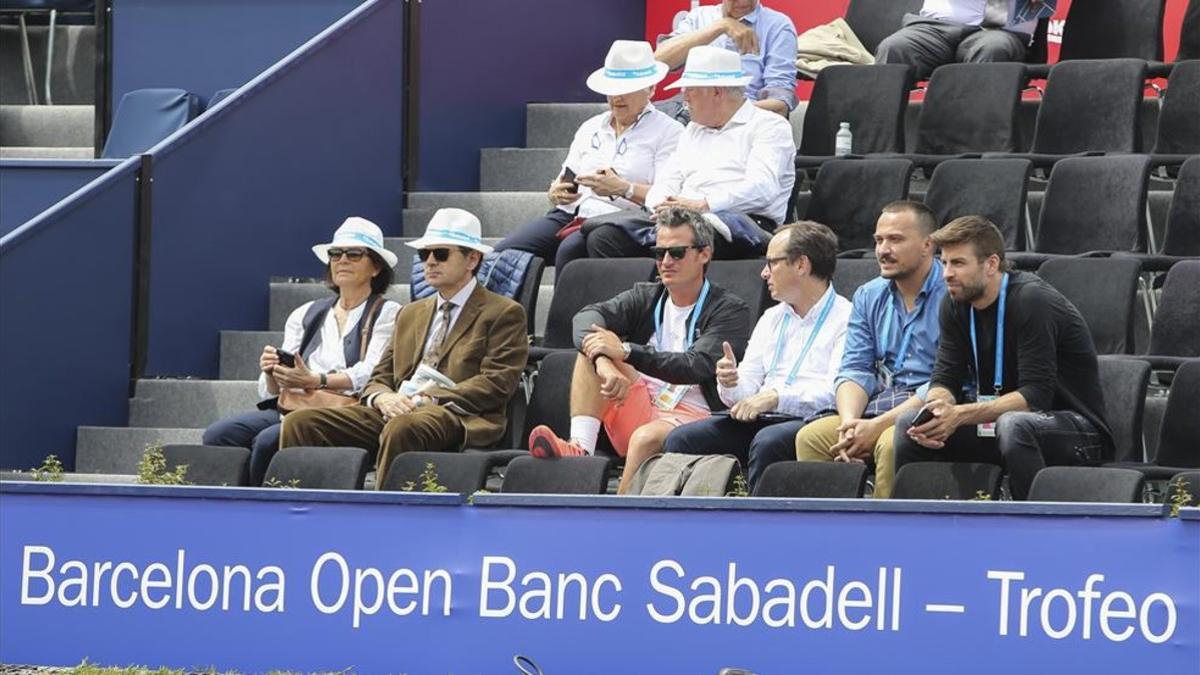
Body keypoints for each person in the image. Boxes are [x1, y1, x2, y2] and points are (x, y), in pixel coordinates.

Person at [279, 208, 529, 487]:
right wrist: (380, 398)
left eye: (441, 254)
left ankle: (384, 519)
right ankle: (300, 513)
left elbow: (497, 383)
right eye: (425, 255)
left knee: (403, 427)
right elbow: (379, 377)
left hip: (455, 413)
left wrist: (429, 397)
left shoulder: (504, 312)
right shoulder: (410, 313)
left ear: (472, 259)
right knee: (300, 422)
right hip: (397, 407)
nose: (430, 262)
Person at [525, 207, 750, 494]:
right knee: (592, 347)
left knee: (644, 437)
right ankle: (581, 448)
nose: (666, 261)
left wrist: (627, 351)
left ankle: (619, 513)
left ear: (704, 254)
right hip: (640, 403)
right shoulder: (647, 295)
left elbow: (696, 365)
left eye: (677, 253)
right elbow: (584, 317)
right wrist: (605, 362)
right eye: (659, 253)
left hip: (696, 418)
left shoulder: (730, 309)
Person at [892, 215, 1112, 500]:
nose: (946, 273)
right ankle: (919, 532)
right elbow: (945, 377)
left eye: (958, 263)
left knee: (1014, 423)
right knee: (909, 426)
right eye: (943, 262)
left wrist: (959, 414)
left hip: (1074, 430)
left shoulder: (1032, 300)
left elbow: (1035, 396)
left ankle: (1028, 531)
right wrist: (938, 409)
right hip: (1000, 426)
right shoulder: (955, 303)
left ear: (991, 264)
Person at [202, 217, 401, 485]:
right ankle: (231, 508)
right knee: (219, 434)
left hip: (345, 412)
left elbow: (373, 373)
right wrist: (273, 371)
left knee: (267, 441)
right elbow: (269, 391)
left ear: (376, 267)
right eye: (335, 254)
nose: (342, 260)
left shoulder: (388, 313)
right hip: (293, 404)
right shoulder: (305, 313)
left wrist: (317, 380)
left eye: (354, 254)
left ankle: (263, 511)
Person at [662, 221, 852, 489]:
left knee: (768, 442)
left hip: (811, 419)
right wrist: (730, 383)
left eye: (772, 263)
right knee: (682, 439)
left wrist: (774, 398)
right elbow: (747, 391)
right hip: (765, 417)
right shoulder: (772, 317)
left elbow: (836, 393)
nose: (764, 273)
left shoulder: (846, 318)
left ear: (801, 265)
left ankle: (756, 527)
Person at [583, 46, 796, 263]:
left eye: (690, 89)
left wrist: (703, 204)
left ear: (716, 91)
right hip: (683, 219)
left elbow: (763, 188)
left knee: (686, 241)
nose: (684, 97)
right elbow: (668, 181)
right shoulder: (693, 130)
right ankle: (640, 296)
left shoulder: (769, 126)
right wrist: (663, 205)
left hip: (741, 224)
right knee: (604, 238)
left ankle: (672, 294)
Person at [794, 202, 946, 498]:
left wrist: (875, 426)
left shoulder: (952, 294)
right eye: (878, 240)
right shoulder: (869, 294)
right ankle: (829, 537)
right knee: (811, 438)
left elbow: (946, 381)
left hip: (930, 407)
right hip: (880, 403)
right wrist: (851, 423)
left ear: (928, 245)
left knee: (890, 442)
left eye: (896, 240)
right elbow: (854, 368)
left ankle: (885, 537)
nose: (883, 250)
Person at [495, 40, 682, 274]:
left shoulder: (670, 132)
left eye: (626, 89)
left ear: (651, 88)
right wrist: (557, 191)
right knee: (503, 252)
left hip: (622, 220)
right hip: (571, 212)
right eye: (611, 89)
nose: (617, 97)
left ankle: (564, 311)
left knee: (570, 251)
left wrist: (624, 188)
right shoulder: (591, 126)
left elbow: (667, 198)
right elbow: (567, 176)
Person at [655, 0, 799, 117]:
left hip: (745, 118)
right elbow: (659, 61)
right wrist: (720, 26)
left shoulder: (778, 25)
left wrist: (720, 113)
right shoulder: (699, 17)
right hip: (690, 112)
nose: (743, 2)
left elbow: (780, 104)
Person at [875, 0, 1055, 80]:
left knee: (992, 49)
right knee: (895, 48)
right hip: (935, 26)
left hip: (1000, 32)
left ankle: (976, 145)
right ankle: (878, 145)